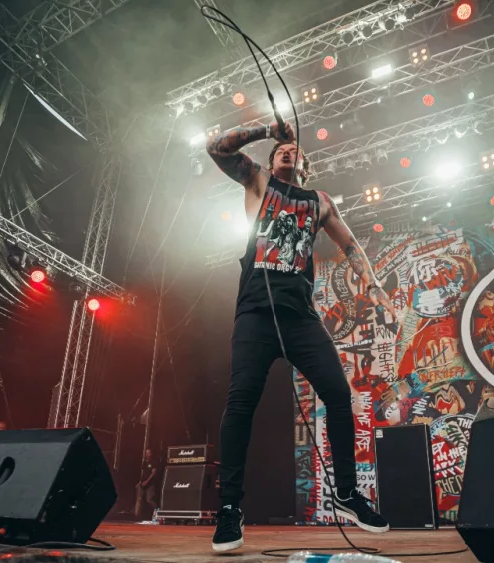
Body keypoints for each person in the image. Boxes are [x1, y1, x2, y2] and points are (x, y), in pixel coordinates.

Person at [206, 121, 391, 552]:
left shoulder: (319, 201)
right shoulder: (257, 183)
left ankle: (346, 493)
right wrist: (267, 129)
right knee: (240, 403)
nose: (287, 151)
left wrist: (375, 285)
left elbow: (350, 245)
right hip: (255, 312)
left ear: (304, 164)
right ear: (272, 159)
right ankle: (230, 507)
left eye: (293, 149)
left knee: (339, 396)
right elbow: (215, 148)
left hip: (300, 318)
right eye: (280, 149)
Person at [135, 448, 160, 519]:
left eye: (148, 453)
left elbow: (153, 473)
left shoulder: (154, 461)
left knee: (149, 500)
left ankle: (158, 511)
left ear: (151, 454)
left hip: (150, 484)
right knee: (138, 499)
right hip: (142, 484)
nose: (147, 454)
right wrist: (139, 482)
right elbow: (143, 473)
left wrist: (147, 481)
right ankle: (136, 516)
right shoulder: (144, 462)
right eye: (146, 453)